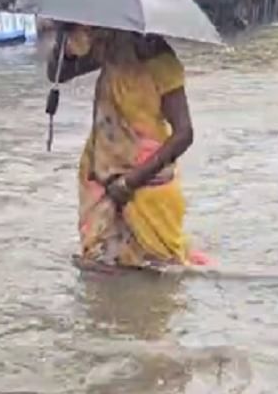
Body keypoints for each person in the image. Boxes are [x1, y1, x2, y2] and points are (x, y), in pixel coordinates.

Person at [46, 25, 196, 270]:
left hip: (148, 184)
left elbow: (184, 133)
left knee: (159, 274)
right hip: (102, 176)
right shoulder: (111, 51)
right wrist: (65, 43)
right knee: (98, 270)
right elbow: (57, 74)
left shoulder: (161, 60)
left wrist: (130, 181)